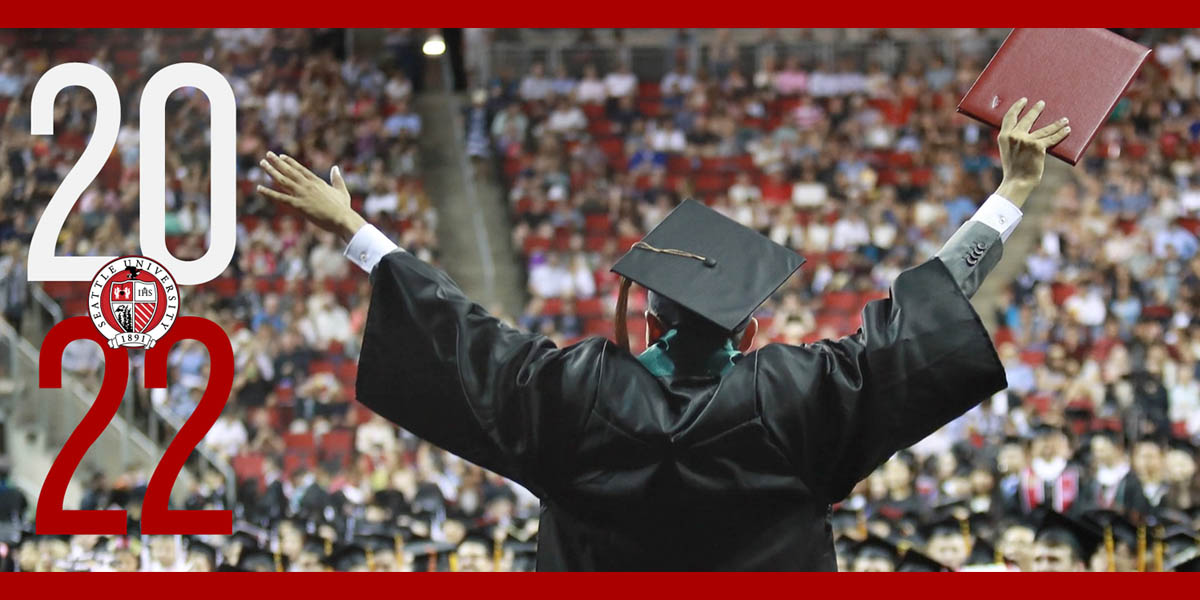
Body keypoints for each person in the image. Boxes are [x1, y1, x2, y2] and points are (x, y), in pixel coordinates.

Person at [257, 98, 1071, 571]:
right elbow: (912, 323)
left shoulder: (570, 396)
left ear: (648, 314)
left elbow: (459, 335)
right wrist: (1010, 192)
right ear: (748, 328)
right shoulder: (801, 398)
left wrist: (356, 229)